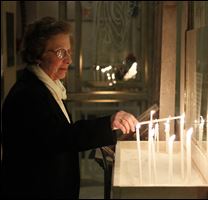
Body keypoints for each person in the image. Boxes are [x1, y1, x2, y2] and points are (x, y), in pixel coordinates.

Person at [1, 16, 138, 198]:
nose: (68, 60)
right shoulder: (28, 94)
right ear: (37, 54)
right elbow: (60, 136)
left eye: (68, 52)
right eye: (60, 53)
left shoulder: (49, 87)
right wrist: (109, 123)